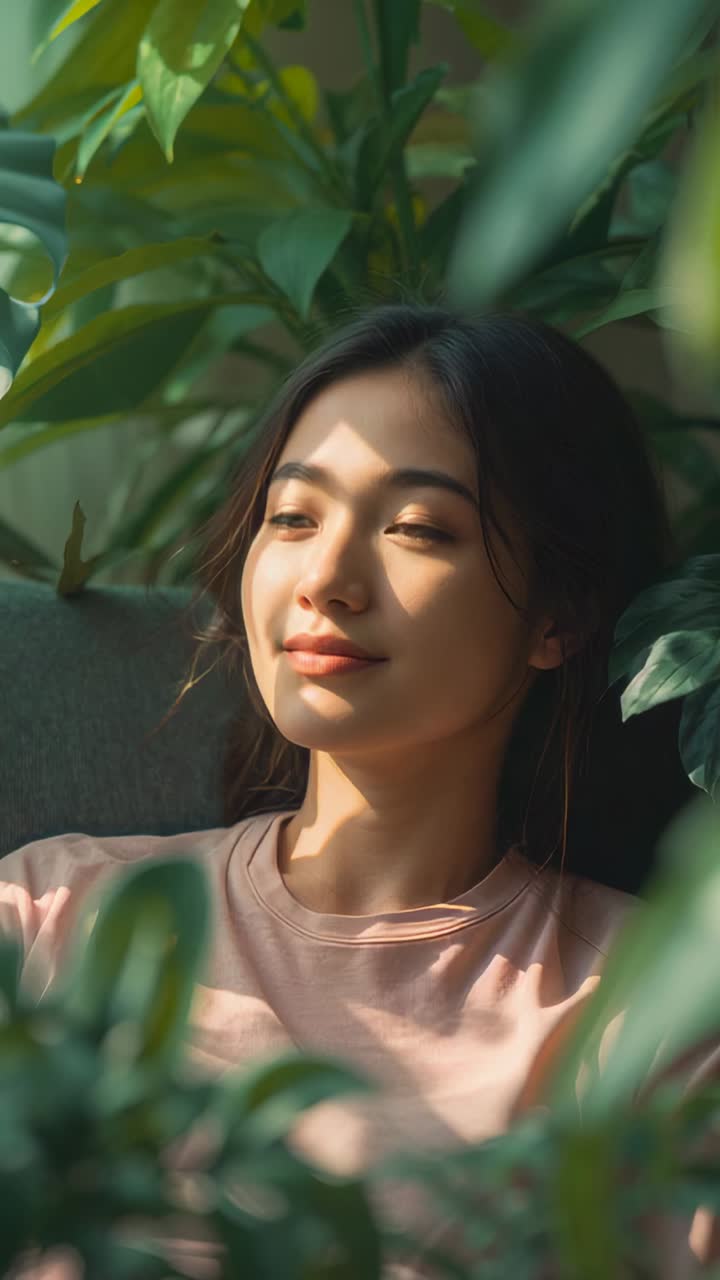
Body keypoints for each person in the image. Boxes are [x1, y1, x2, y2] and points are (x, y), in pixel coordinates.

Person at [2, 303, 718, 1279]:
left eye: (418, 528)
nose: (327, 576)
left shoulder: (654, 1018)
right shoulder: (45, 922)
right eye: (292, 515)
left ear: (560, 615)